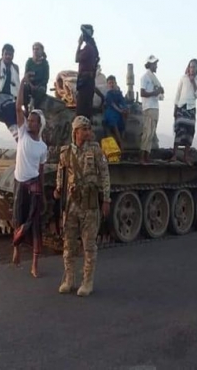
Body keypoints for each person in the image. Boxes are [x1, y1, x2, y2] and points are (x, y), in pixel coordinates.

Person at [53, 115, 111, 297]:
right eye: (84, 129)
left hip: (89, 204)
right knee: (69, 244)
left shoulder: (95, 150)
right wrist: (58, 189)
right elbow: (60, 173)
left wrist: (106, 199)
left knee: (89, 245)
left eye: (88, 129)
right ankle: (69, 279)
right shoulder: (66, 152)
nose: (88, 132)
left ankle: (87, 281)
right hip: (71, 204)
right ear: (76, 131)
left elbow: (105, 175)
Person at [11, 72, 48, 278]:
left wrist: (43, 193)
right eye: (29, 119)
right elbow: (18, 108)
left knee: (34, 225)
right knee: (17, 219)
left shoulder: (43, 147)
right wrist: (23, 83)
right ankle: (16, 249)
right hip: (19, 182)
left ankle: (34, 264)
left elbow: (41, 170)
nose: (30, 122)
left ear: (39, 125)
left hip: (33, 185)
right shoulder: (23, 132)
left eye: (33, 120)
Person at [172, 59, 197, 165]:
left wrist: (193, 82)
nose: (192, 69)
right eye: (190, 66)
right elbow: (178, 93)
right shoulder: (183, 78)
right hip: (182, 107)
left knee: (190, 132)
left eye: (194, 67)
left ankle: (186, 156)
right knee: (179, 130)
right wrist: (175, 108)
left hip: (191, 108)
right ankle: (174, 155)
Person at [140, 55, 164, 163]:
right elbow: (142, 93)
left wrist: (159, 91)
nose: (156, 66)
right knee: (148, 132)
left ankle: (147, 155)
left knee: (151, 133)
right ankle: (142, 157)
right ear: (150, 65)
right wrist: (155, 92)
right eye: (155, 64)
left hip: (154, 106)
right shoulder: (145, 77)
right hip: (149, 107)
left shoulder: (153, 78)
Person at [75, 24, 100, 120]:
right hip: (88, 81)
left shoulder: (88, 48)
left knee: (81, 110)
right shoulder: (92, 48)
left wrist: (79, 44)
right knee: (86, 108)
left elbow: (77, 58)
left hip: (85, 81)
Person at [103, 75, 128, 149]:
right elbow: (112, 104)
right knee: (113, 121)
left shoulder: (118, 93)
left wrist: (125, 108)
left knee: (123, 121)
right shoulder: (108, 94)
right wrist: (120, 110)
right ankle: (120, 141)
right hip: (110, 111)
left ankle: (122, 137)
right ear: (107, 85)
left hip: (118, 111)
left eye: (113, 83)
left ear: (116, 83)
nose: (111, 85)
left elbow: (123, 101)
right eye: (110, 83)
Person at [24, 42, 50, 110]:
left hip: (40, 86)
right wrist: (31, 85)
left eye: (37, 49)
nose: (35, 51)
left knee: (40, 91)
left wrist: (37, 86)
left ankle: (35, 109)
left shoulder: (45, 63)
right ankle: (26, 108)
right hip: (30, 84)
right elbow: (26, 76)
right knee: (24, 88)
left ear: (42, 51)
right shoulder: (29, 62)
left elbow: (46, 78)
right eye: (34, 49)